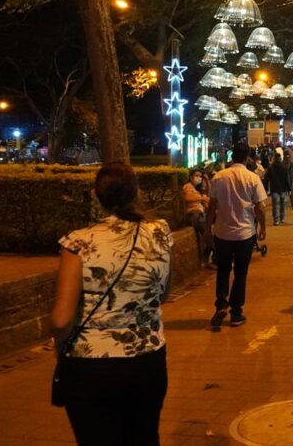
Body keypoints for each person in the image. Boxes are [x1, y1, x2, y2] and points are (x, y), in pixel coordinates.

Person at [52, 162, 172, 445]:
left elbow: (60, 320)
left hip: (91, 365)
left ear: (96, 195)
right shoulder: (159, 233)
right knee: (144, 437)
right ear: (137, 192)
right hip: (148, 359)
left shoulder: (78, 243)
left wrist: (60, 352)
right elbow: (163, 293)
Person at [206, 141, 268, 329]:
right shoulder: (252, 178)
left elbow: (211, 206)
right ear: (247, 157)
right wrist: (263, 227)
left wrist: (209, 228)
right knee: (241, 273)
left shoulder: (219, 177)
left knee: (223, 270)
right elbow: (260, 207)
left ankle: (220, 305)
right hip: (244, 233)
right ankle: (236, 312)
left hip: (222, 232)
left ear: (232, 156)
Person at [182, 168, 212, 267]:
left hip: (199, 214)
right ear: (191, 177)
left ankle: (207, 260)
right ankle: (217, 259)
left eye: (200, 176)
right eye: (197, 176)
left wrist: (207, 181)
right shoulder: (188, 187)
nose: (199, 178)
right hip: (194, 215)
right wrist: (202, 198)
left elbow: (209, 193)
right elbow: (188, 198)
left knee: (210, 235)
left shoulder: (196, 189)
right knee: (209, 236)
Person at [267, 153, 291, 226]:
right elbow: (287, 179)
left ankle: (276, 220)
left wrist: (265, 187)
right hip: (283, 188)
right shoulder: (284, 167)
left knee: (275, 205)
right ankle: (282, 218)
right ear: (280, 159)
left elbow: (267, 178)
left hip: (274, 188)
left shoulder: (270, 167)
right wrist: (289, 189)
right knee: (282, 204)